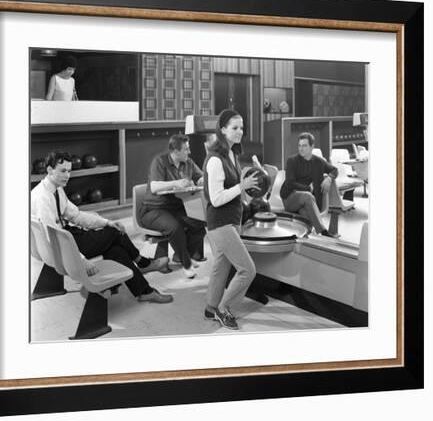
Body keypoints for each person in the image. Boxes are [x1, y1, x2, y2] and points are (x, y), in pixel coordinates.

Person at [31, 151, 173, 304]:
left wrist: (106, 222)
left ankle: (144, 291)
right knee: (115, 233)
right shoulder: (42, 198)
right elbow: (52, 238)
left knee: (115, 250)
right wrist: (81, 261)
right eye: (63, 171)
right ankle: (143, 263)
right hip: (65, 247)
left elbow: (76, 216)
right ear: (50, 170)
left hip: (68, 238)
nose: (67, 175)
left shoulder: (55, 189)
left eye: (69, 171)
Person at [202, 109, 263, 330]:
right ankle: (223, 308)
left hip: (232, 219)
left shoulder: (232, 154)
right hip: (220, 222)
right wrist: (241, 186)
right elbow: (216, 199)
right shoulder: (215, 160)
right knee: (248, 269)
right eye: (235, 128)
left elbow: (236, 188)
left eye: (242, 127)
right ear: (223, 129)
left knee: (221, 265)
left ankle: (210, 308)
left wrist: (250, 183)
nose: (240, 132)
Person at [140, 134, 207, 279]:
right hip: (153, 209)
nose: (189, 152)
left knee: (200, 224)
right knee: (175, 227)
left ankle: (180, 255)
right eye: (186, 149)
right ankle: (186, 263)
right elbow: (154, 187)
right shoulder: (159, 161)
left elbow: (200, 176)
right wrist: (176, 183)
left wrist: (201, 181)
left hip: (174, 208)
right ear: (175, 151)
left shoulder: (187, 162)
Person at [280, 132, 339, 237]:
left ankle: (307, 239)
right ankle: (323, 231)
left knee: (306, 214)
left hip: (307, 202)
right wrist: (308, 188)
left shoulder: (319, 162)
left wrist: (329, 178)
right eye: (299, 145)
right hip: (290, 198)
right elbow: (290, 183)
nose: (301, 148)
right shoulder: (292, 161)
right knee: (307, 196)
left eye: (304, 146)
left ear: (312, 147)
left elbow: (334, 170)